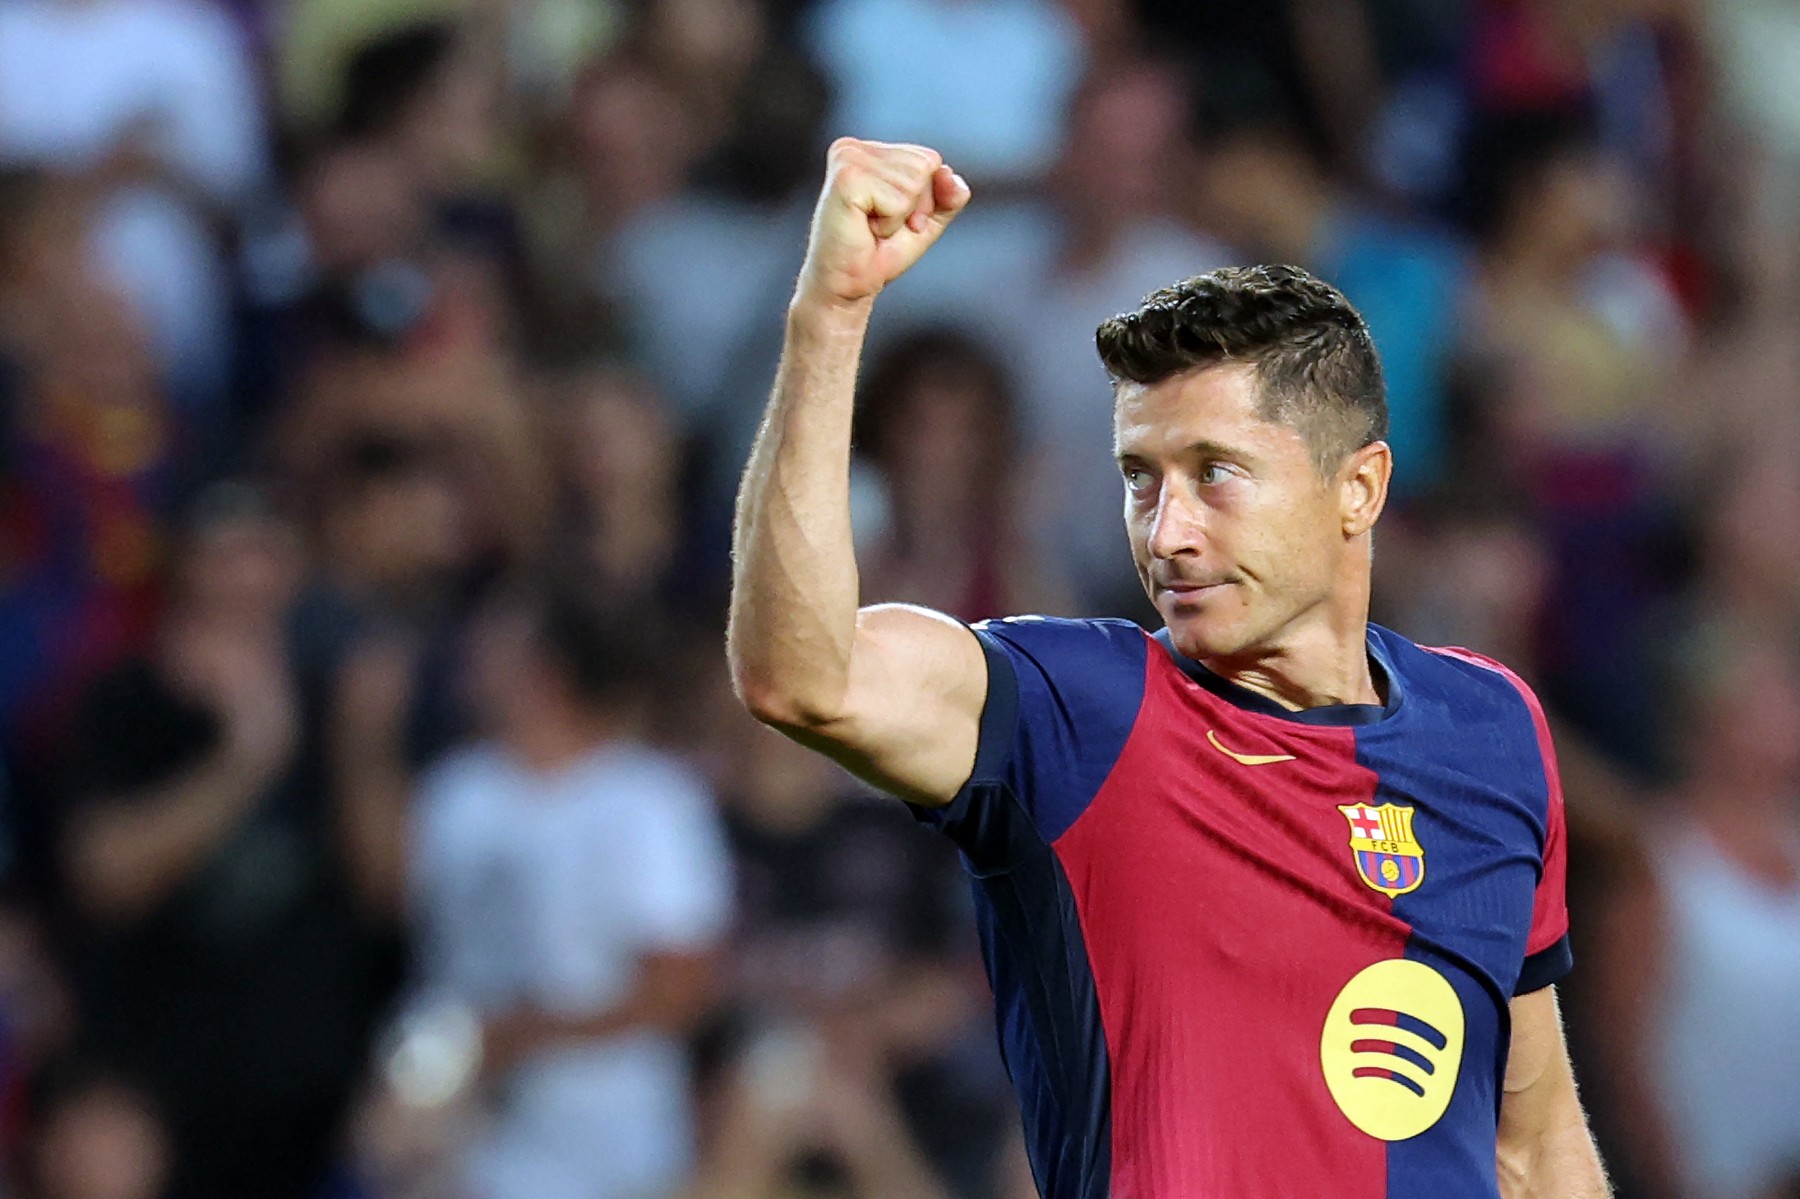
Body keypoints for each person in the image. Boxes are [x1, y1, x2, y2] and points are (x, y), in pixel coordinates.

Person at [727, 138, 1609, 1197]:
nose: (1168, 531)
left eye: (1215, 474)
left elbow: (1534, 1139)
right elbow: (802, 674)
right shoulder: (1078, 711)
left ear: (1359, 489)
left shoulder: (1491, 726)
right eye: (1141, 478)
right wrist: (828, 316)